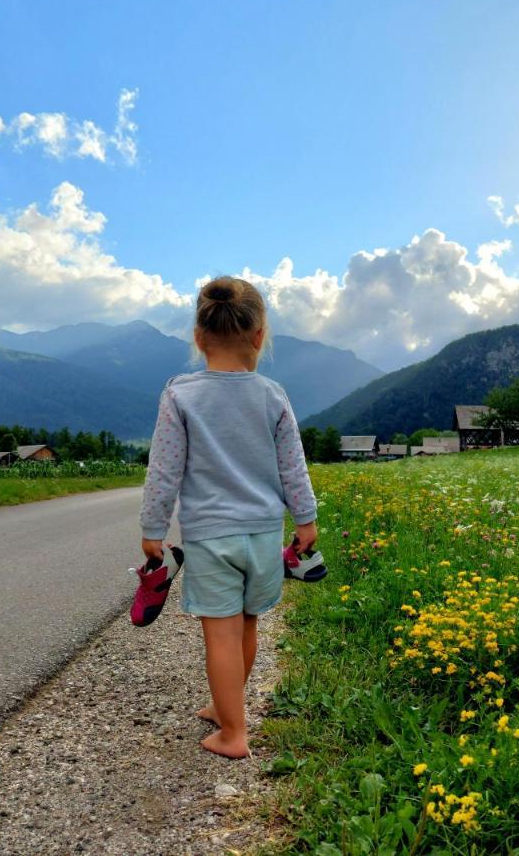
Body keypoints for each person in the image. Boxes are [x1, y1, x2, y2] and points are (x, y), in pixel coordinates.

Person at [139, 276, 318, 759]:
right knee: (248, 626)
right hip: (262, 536)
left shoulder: (181, 395)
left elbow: (164, 470)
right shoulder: (273, 395)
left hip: (210, 538)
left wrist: (153, 530)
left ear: (198, 338)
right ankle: (227, 708)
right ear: (259, 336)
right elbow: (293, 467)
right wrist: (306, 522)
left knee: (220, 635)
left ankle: (232, 731)